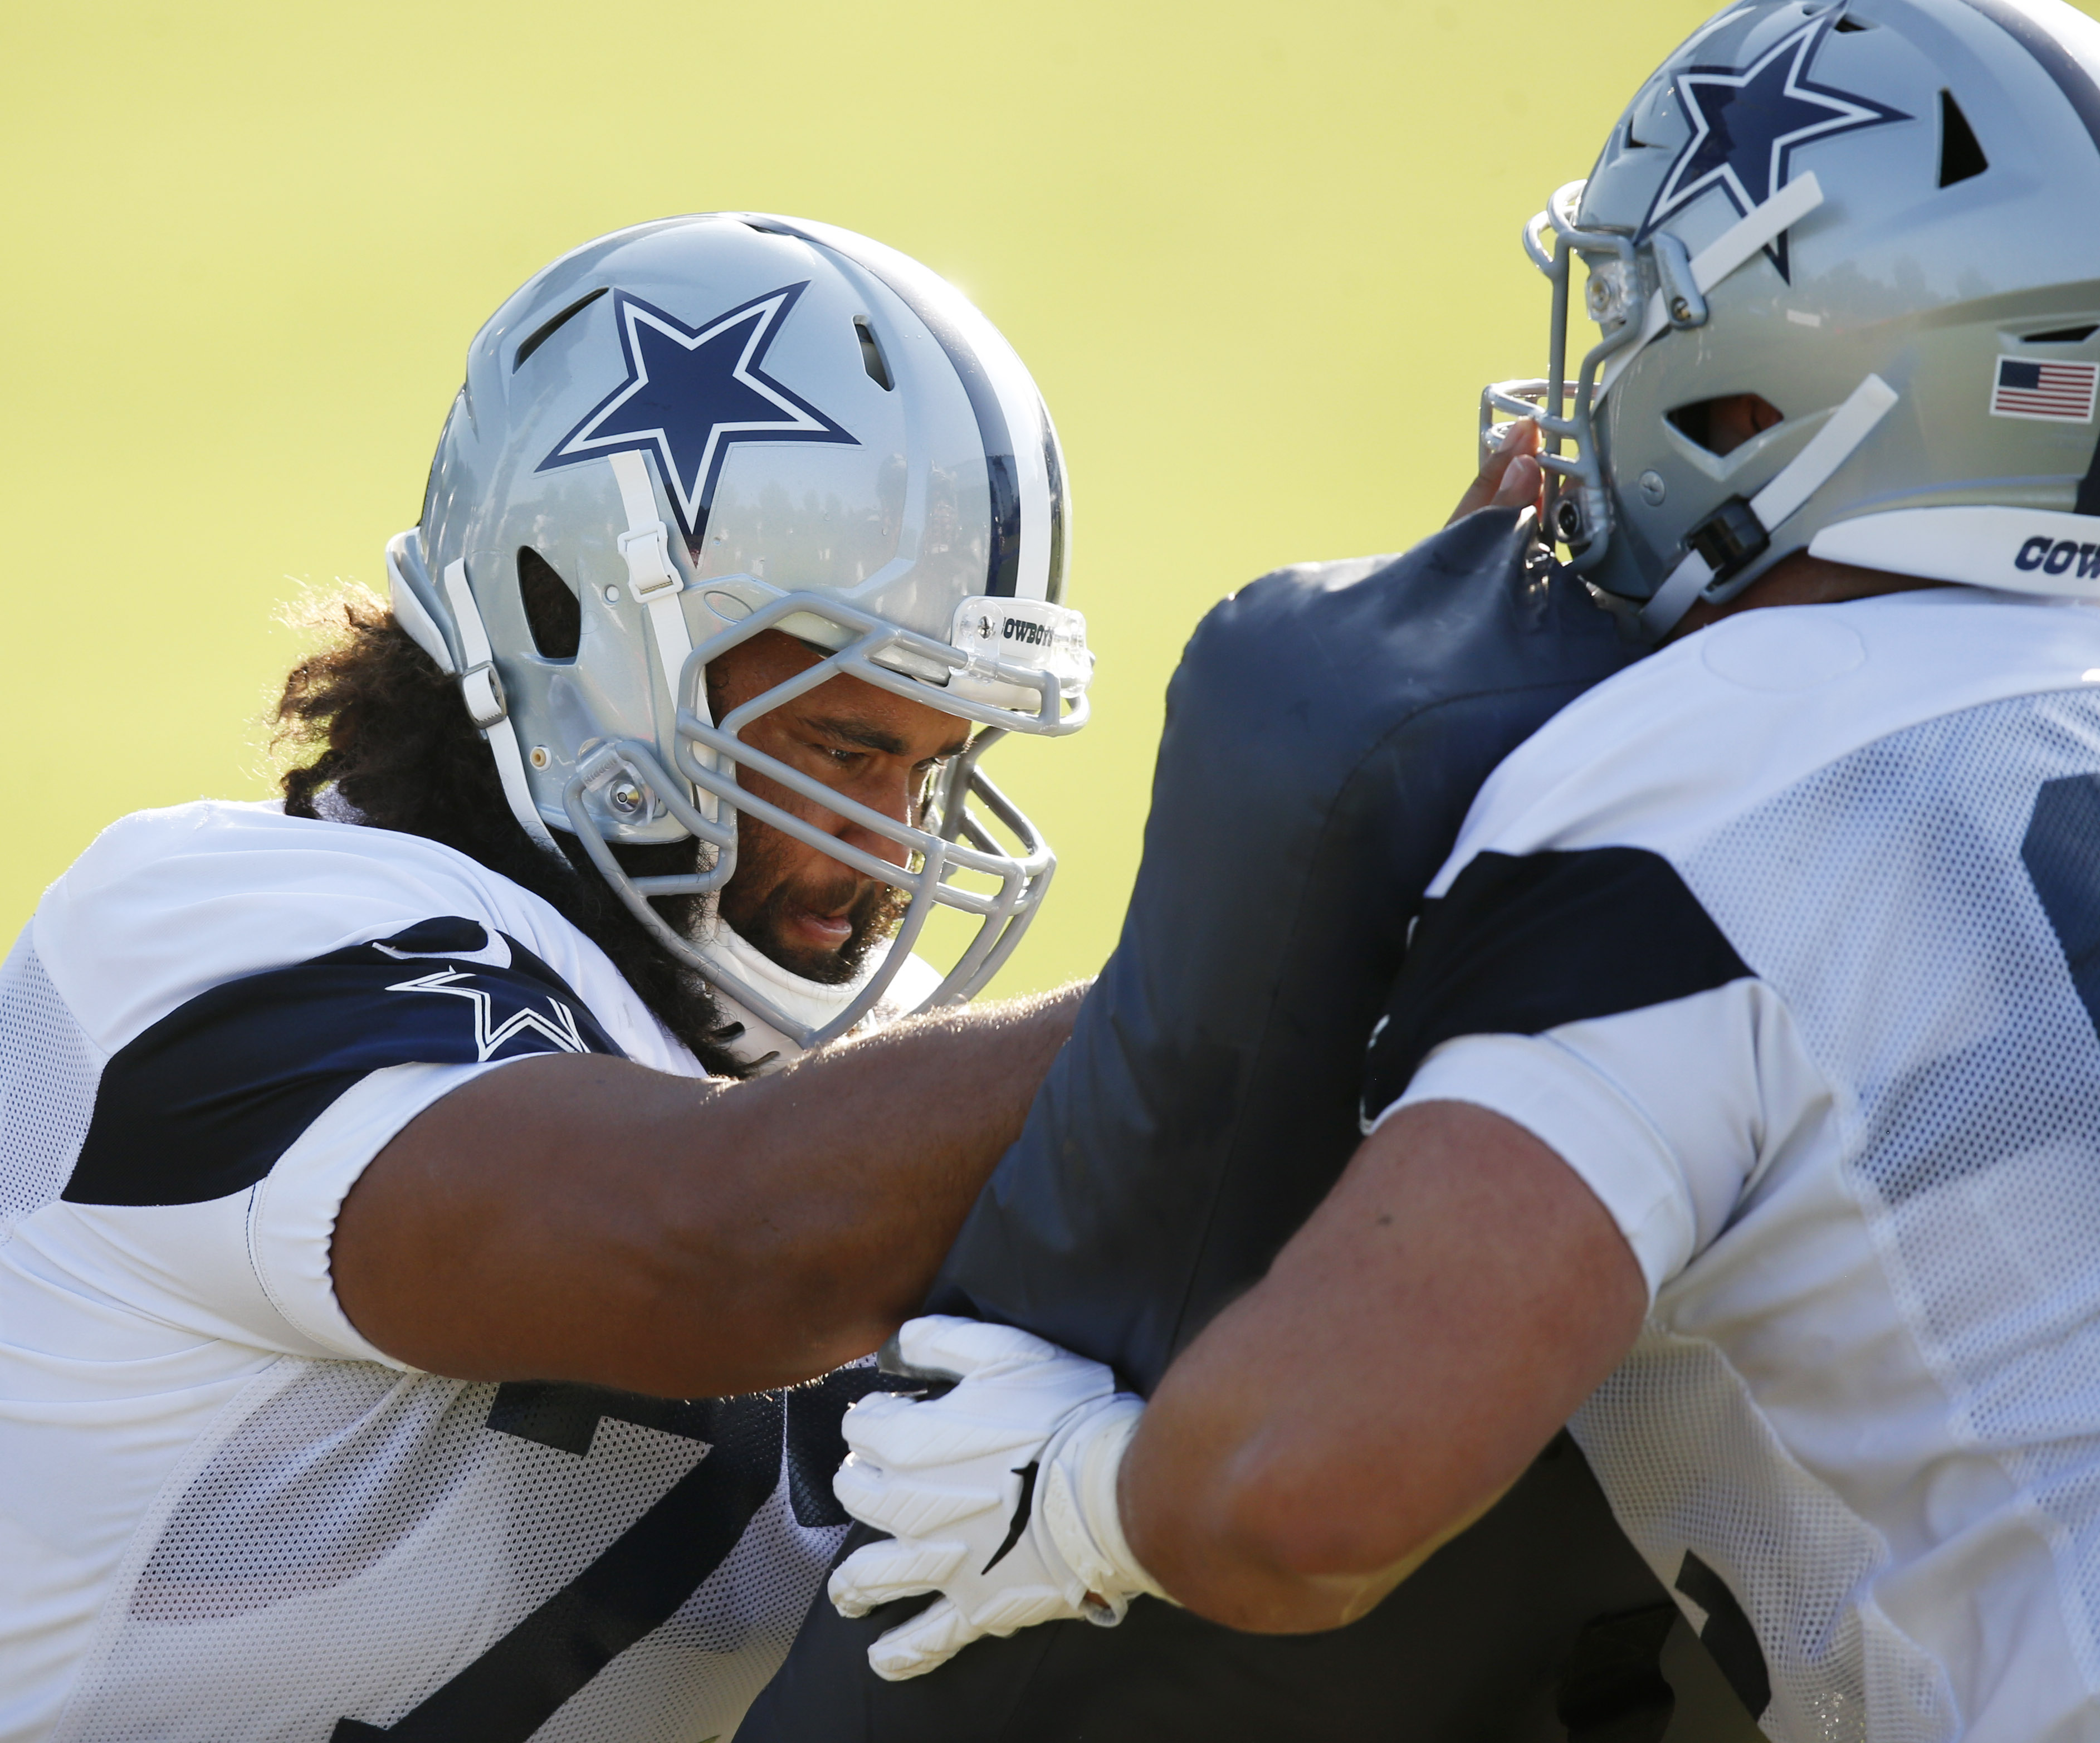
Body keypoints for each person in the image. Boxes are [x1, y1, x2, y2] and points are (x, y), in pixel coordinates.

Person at [805, 2, 2100, 1737]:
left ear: (1761, 381)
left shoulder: (1686, 774)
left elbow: (1302, 1487)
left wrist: (1094, 1497)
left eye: (1639, 315)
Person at [0, 213, 1095, 1741]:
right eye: (844, 749)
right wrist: (1269, 967)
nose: (886, 854)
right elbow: (718, 1244)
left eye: (932, 767)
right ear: (580, 627)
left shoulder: (800, 1091)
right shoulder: (210, 933)